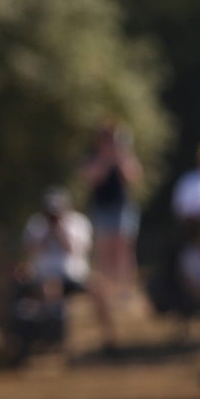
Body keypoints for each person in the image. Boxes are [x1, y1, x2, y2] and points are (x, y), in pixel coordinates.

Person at [14, 187, 116, 356]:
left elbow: (75, 249)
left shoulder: (79, 222)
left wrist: (59, 230)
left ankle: (110, 339)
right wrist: (48, 232)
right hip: (45, 277)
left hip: (75, 275)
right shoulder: (36, 224)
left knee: (101, 288)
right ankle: (52, 340)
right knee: (50, 290)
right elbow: (31, 250)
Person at [80, 118, 143, 301]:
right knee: (104, 251)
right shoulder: (93, 157)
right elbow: (91, 178)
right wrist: (106, 160)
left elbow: (134, 177)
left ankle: (125, 292)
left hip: (122, 207)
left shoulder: (123, 156)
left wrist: (120, 157)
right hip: (101, 208)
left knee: (124, 249)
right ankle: (105, 292)